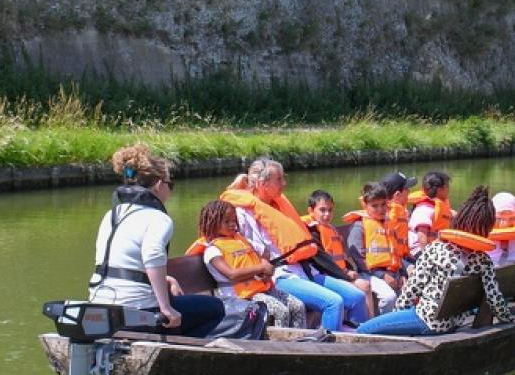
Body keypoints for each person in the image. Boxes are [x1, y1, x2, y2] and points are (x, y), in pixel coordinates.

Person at [88, 143, 224, 337]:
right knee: (215, 308)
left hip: (100, 304)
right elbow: (152, 256)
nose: (170, 191)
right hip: (138, 309)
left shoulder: (112, 214)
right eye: (171, 185)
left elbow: (124, 262)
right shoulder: (158, 218)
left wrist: (165, 279)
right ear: (160, 184)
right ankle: (172, 352)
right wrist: (166, 308)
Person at [222, 158, 370, 332]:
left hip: (305, 270)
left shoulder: (279, 205)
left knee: (357, 297)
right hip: (280, 276)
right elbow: (245, 248)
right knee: (333, 303)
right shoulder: (243, 213)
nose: (284, 183)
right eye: (279, 179)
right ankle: (327, 350)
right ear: (263, 183)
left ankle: (356, 339)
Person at [357, 186, 515, 336]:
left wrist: (398, 318)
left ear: (460, 218)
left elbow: (411, 290)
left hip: (426, 321)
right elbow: (495, 299)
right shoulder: (484, 261)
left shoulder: (437, 249)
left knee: (363, 329)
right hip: (454, 323)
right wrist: (510, 319)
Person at [192, 199, 307, 328]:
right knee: (280, 311)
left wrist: (265, 267)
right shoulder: (213, 250)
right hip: (240, 297)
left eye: (234, 220)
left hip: (259, 289)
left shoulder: (240, 241)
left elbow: (261, 256)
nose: (233, 224)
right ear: (212, 223)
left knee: (298, 306)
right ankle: (277, 345)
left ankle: (299, 340)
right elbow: (231, 275)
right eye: (227, 221)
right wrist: (261, 267)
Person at [305, 190, 378, 318]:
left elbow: (341, 257)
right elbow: (323, 262)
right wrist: (345, 275)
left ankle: (366, 325)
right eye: (322, 210)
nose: (327, 214)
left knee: (365, 285)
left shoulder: (331, 229)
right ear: (311, 211)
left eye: (330, 210)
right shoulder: (312, 231)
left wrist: (349, 269)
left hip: (339, 273)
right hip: (326, 276)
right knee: (364, 287)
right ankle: (366, 327)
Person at [342, 182, 402, 313]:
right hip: (368, 274)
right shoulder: (359, 226)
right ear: (365, 205)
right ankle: (382, 327)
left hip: (392, 271)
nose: (381, 209)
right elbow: (359, 260)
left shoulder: (388, 224)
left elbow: (396, 253)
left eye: (383, 205)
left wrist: (402, 274)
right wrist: (382, 275)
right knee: (389, 297)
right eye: (375, 206)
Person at [407, 171, 453, 256]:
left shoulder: (437, 206)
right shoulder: (425, 208)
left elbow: (451, 214)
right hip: (419, 251)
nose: (449, 189)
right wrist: (426, 257)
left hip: (434, 247)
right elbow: (421, 235)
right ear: (440, 190)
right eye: (447, 186)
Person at [379, 172, 415, 264]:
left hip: (403, 257)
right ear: (397, 195)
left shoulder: (398, 211)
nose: (409, 192)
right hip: (393, 261)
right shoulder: (388, 215)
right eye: (406, 189)